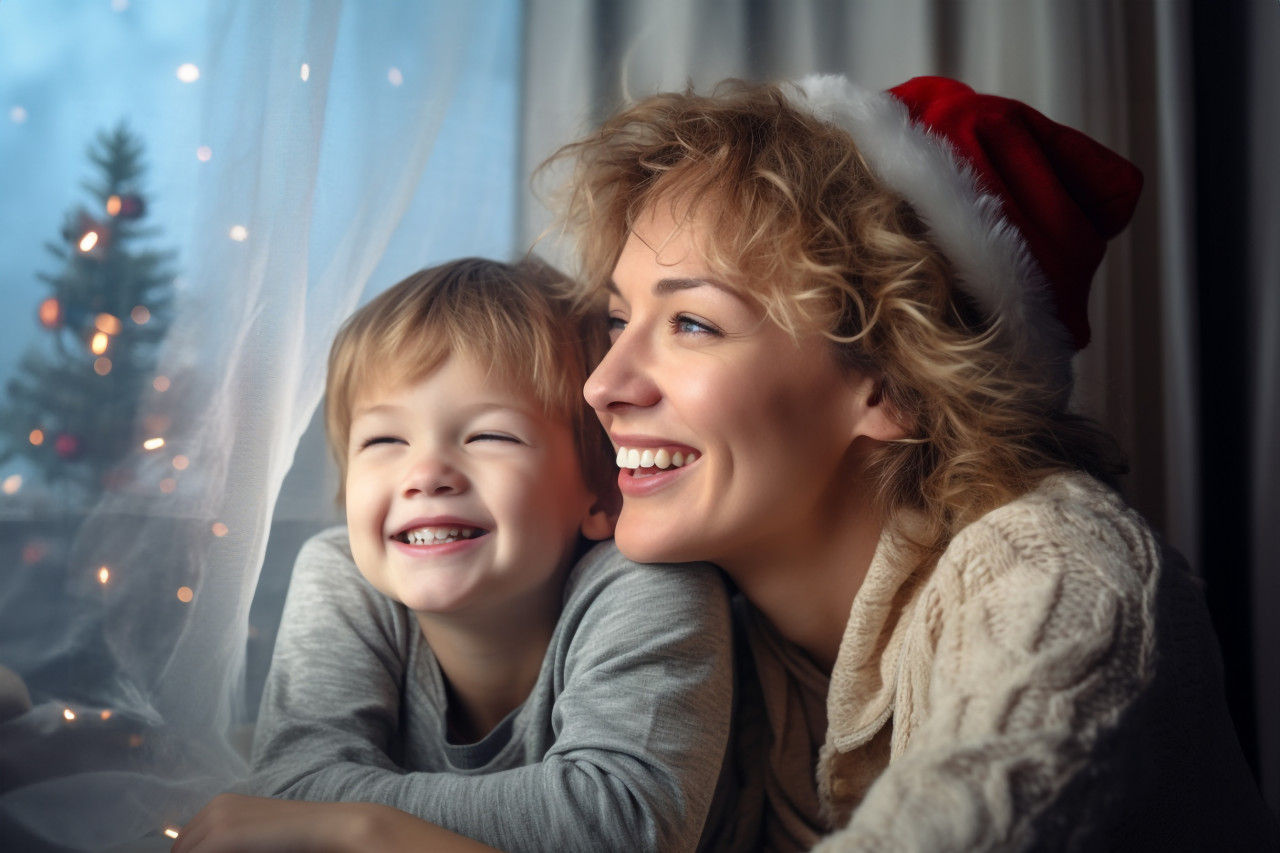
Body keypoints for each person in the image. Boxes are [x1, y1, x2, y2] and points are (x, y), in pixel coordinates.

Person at [543, 75, 1280, 850]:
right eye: (619, 318)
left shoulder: (1063, 577)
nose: (603, 385)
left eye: (693, 323)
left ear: (892, 381)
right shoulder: (692, 619)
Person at [173, 258, 737, 853]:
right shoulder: (342, 575)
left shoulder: (650, 584)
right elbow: (292, 785)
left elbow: (621, 824)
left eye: (489, 435)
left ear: (600, 493)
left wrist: (365, 828)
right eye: (384, 439)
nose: (426, 474)